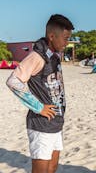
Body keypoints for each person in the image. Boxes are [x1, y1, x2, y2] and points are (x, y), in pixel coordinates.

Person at [6, 14, 74, 173]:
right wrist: (39, 107)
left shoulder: (54, 55)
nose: (67, 42)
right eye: (65, 38)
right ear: (51, 36)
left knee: (52, 167)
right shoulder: (37, 56)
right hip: (41, 124)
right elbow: (13, 81)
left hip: (55, 123)